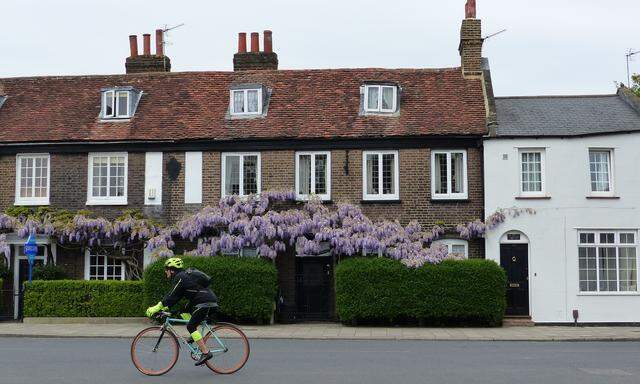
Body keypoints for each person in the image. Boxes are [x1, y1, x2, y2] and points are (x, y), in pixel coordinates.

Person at [145, 257, 219, 366]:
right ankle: (195, 336)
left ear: (172, 270)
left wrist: (156, 307)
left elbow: (171, 295)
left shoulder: (180, 277)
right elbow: (176, 298)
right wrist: (164, 308)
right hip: (204, 300)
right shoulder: (183, 277)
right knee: (183, 311)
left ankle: (205, 352)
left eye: (166, 269)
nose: (165, 272)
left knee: (191, 326)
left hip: (205, 302)